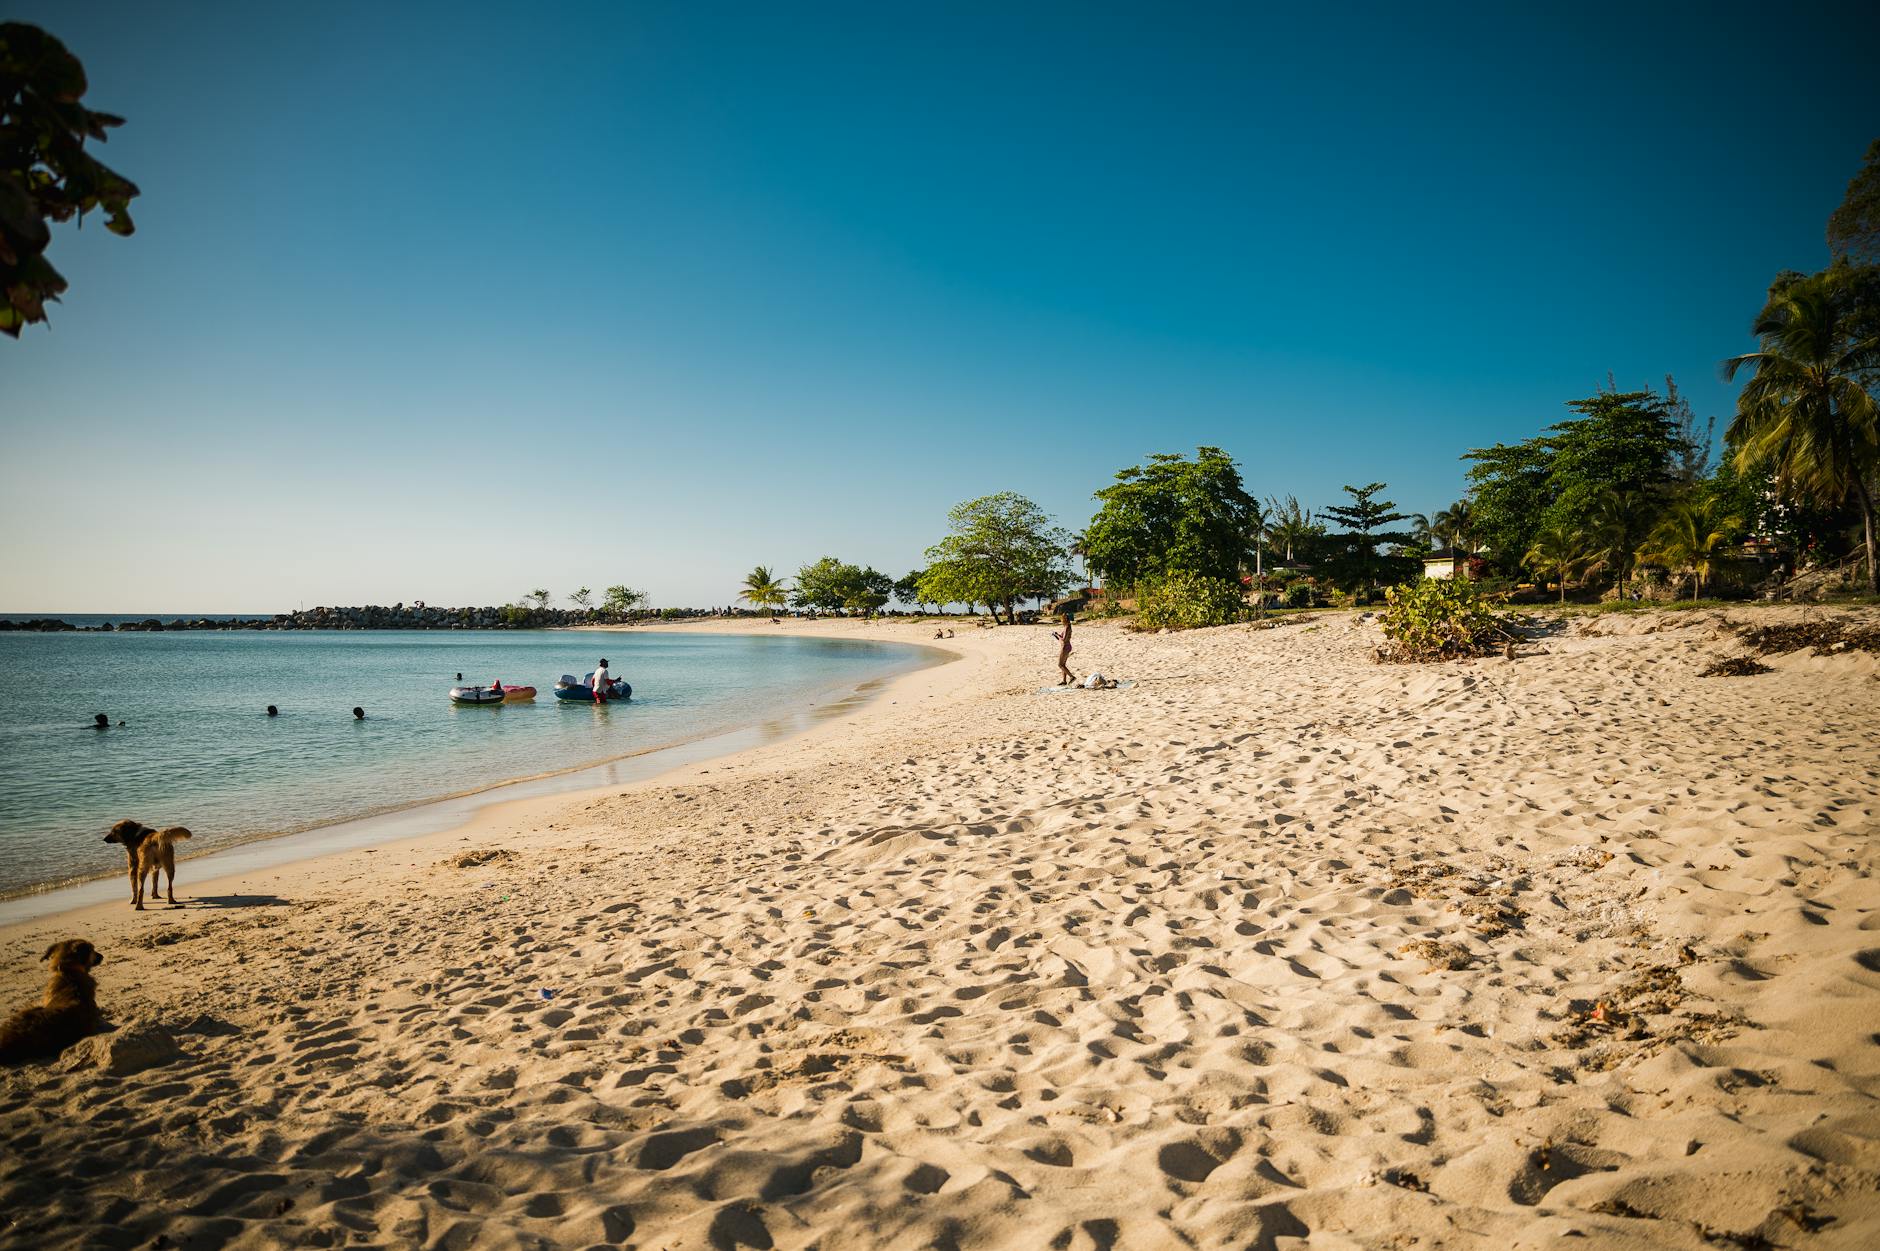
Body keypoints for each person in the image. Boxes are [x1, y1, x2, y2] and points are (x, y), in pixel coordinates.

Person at [1053, 612, 1075, 686]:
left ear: (1064, 619)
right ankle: (1064, 681)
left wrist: (1057, 636)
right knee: (1063, 664)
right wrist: (1057, 635)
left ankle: (1072, 677)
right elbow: (1062, 638)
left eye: (1062, 620)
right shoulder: (1067, 626)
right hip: (1066, 646)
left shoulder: (1067, 627)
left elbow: (1064, 639)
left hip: (1065, 646)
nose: (1061, 621)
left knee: (1060, 664)